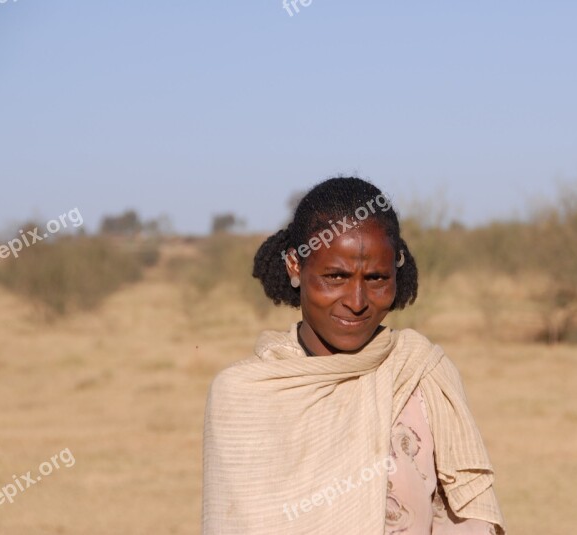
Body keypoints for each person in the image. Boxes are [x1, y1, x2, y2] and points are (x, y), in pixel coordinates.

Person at [202, 177, 506, 534]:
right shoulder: (244, 395)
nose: (357, 301)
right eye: (335, 276)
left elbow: (469, 520)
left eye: (376, 278)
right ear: (295, 267)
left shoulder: (423, 375)